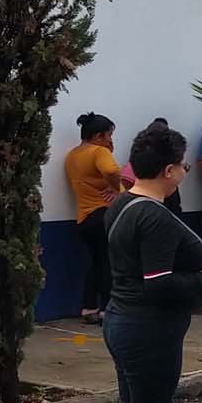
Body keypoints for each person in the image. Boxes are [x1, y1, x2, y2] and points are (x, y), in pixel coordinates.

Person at [101, 121, 202, 403]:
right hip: (148, 330)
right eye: (182, 166)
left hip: (124, 320)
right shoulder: (154, 217)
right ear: (168, 170)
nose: (185, 172)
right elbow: (159, 281)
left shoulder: (123, 204)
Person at [64, 112, 123, 325]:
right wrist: (117, 189)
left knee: (97, 262)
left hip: (84, 218)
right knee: (110, 262)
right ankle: (109, 308)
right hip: (103, 214)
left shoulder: (73, 155)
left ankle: (89, 307)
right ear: (99, 136)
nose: (111, 140)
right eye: (109, 135)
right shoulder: (99, 151)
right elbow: (111, 170)